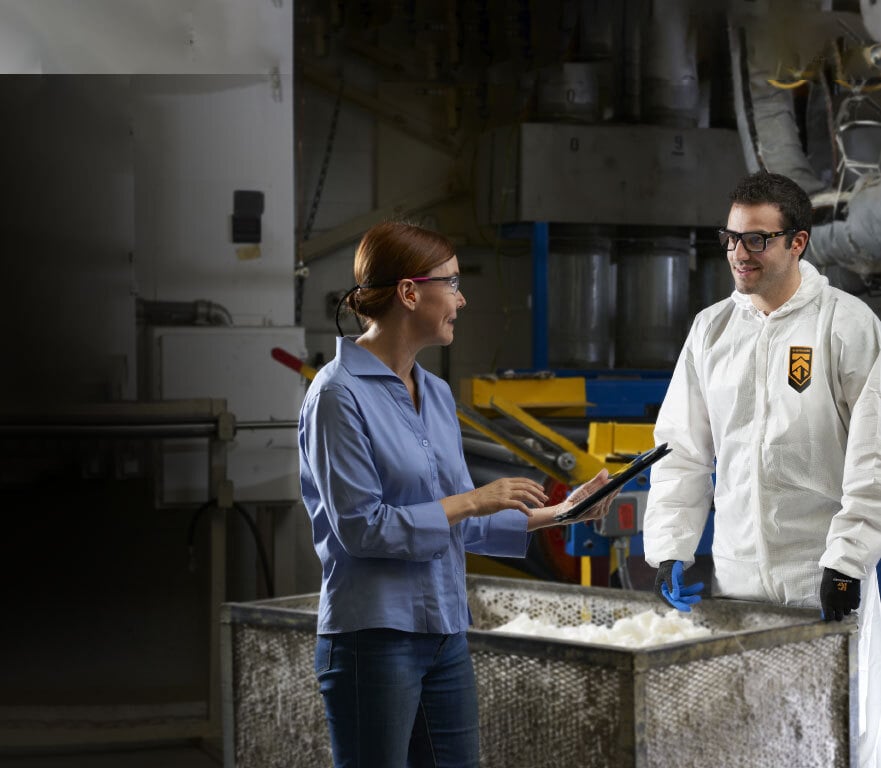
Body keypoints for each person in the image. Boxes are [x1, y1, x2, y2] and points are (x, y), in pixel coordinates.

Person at [298, 220, 614, 768]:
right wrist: (475, 499)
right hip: (374, 640)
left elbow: (457, 523)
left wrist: (562, 513)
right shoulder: (336, 396)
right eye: (452, 282)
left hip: (446, 633)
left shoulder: (437, 394)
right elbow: (362, 528)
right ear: (409, 292)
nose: (462, 299)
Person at [643, 170, 881, 766]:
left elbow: (873, 458)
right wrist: (671, 546)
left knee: (837, 735)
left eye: (757, 240)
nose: (738, 254)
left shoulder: (846, 324)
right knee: (751, 734)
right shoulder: (712, 330)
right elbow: (681, 451)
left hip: (823, 577)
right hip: (740, 576)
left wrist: (848, 561)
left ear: (797, 243)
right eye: (730, 238)